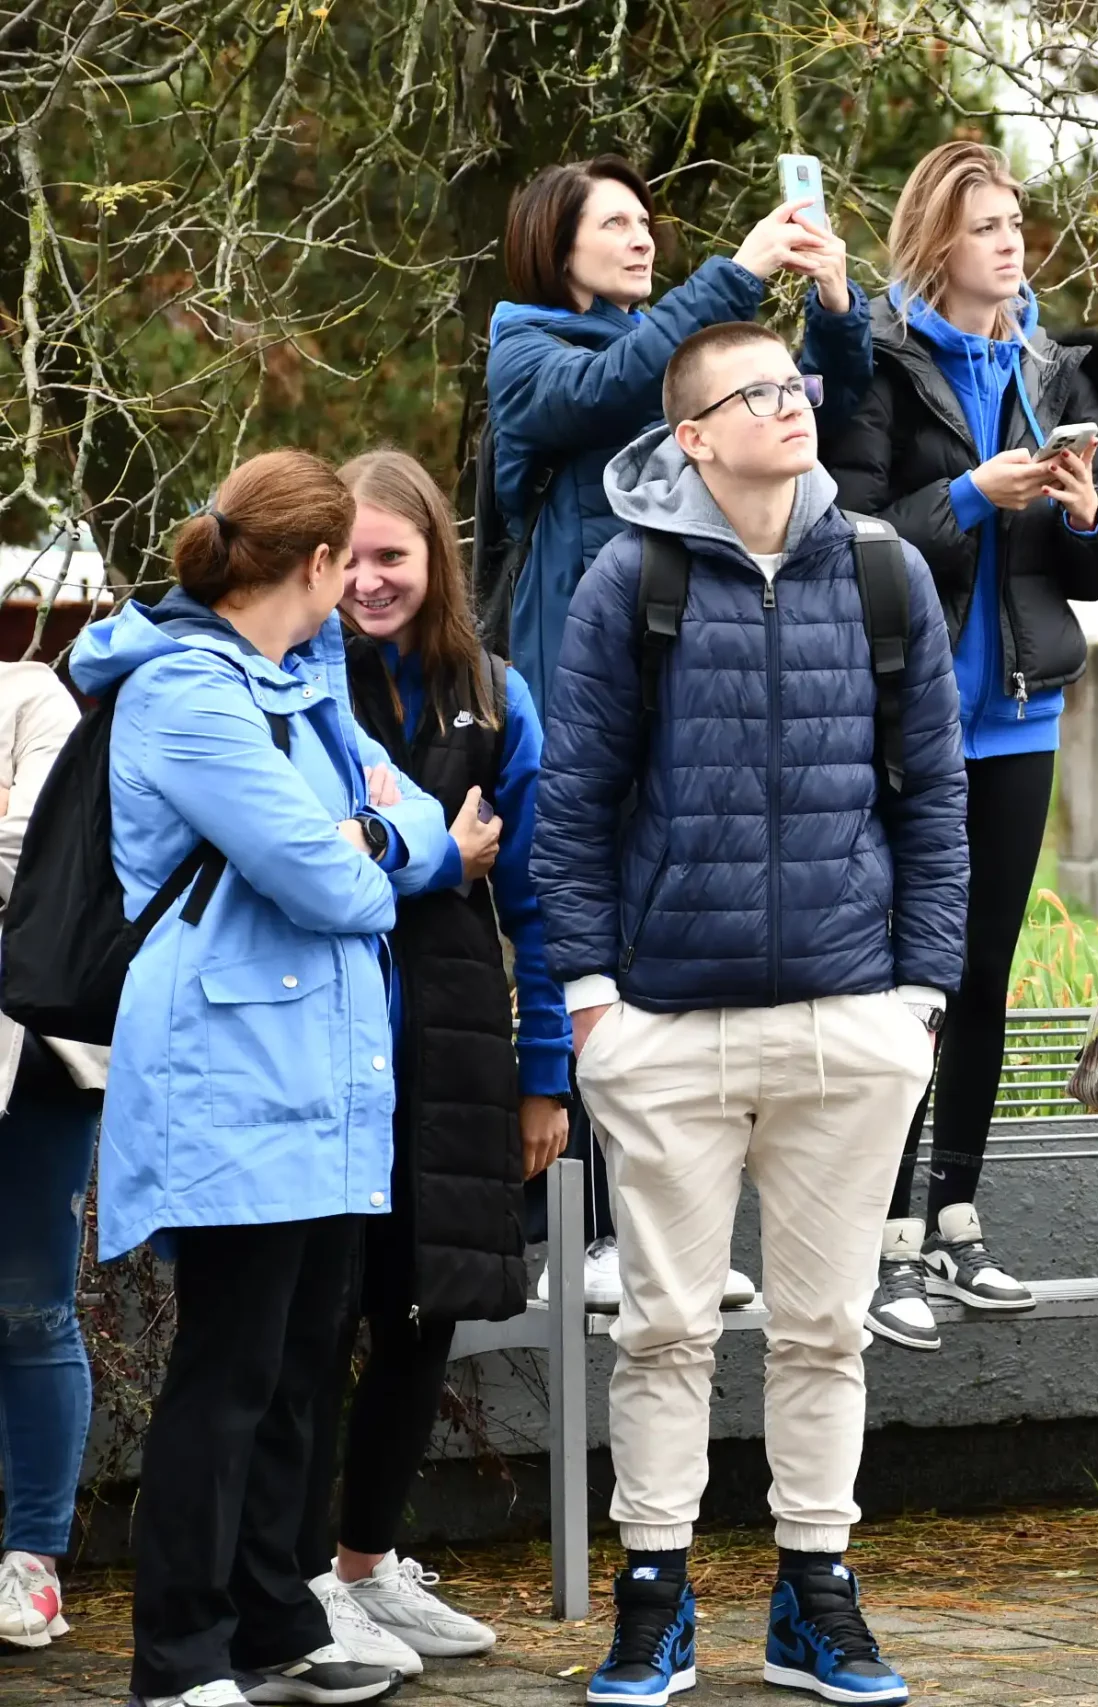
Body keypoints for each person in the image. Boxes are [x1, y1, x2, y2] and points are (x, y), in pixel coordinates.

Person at [536, 320, 966, 1707]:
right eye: (760, 391)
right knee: (664, 1326)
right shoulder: (629, 578)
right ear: (692, 435)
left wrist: (920, 991)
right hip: (667, 1021)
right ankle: (654, 1594)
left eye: (800, 383)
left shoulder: (888, 570)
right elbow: (576, 805)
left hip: (852, 1020)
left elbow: (937, 796)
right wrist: (596, 998)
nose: (796, 403)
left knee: (826, 1325)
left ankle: (815, 1592)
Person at [68, 449, 464, 1707]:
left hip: (327, 1075)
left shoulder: (309, 681)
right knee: (228, 1376)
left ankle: (270, 1622)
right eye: (350, 560)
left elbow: (408, 815)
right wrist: (391, 847)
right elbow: (338, 878)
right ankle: (178, 1656)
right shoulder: (186, 693)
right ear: (317, 564)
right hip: (230, 1077)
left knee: (297, 1364)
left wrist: (386, 838)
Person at [488, 155, 867, 1312]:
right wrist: (735, 274)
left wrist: (836, 310)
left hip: (680, 682)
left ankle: (656, 1230)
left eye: (649, 222)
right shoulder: (525, 343)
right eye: (616, 223)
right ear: (556, 244)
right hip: (570, 681)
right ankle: (585, 1233)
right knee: (573, 923)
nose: (642, 239)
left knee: (658, 934)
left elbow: (818, 408)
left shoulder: (666, 338)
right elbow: (604, 397)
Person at [823, 140, 1098, 1346]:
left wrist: (1078, 509)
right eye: (984, 226)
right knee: (909, 977)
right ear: (935, 244)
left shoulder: (1054, 371)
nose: (1011, 244)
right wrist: (970, 497)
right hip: (909, 714)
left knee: (984, 974)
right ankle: (880, 1240)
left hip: (1021, 712)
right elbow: (849, 537)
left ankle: (956, 1218)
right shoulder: (883, 369)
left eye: (1017, 222)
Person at [288, 450, 569, 1672]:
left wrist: (544, 1073)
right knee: (313, 1319)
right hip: (322, 1045)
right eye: (344, 559)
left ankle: (365, 1564)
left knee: (419, 1314)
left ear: (435, 560)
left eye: (390, 557)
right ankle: (299, 1583)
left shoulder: (495, 697)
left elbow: (545, 897)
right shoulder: (293, 686)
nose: (366, 581)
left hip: (453, 1055)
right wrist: (432, 855)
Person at [0, 664, 110, 1653]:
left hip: (29, 1049)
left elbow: (30, 853)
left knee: (29, 1305)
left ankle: (31, 1558)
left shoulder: (31, 694)